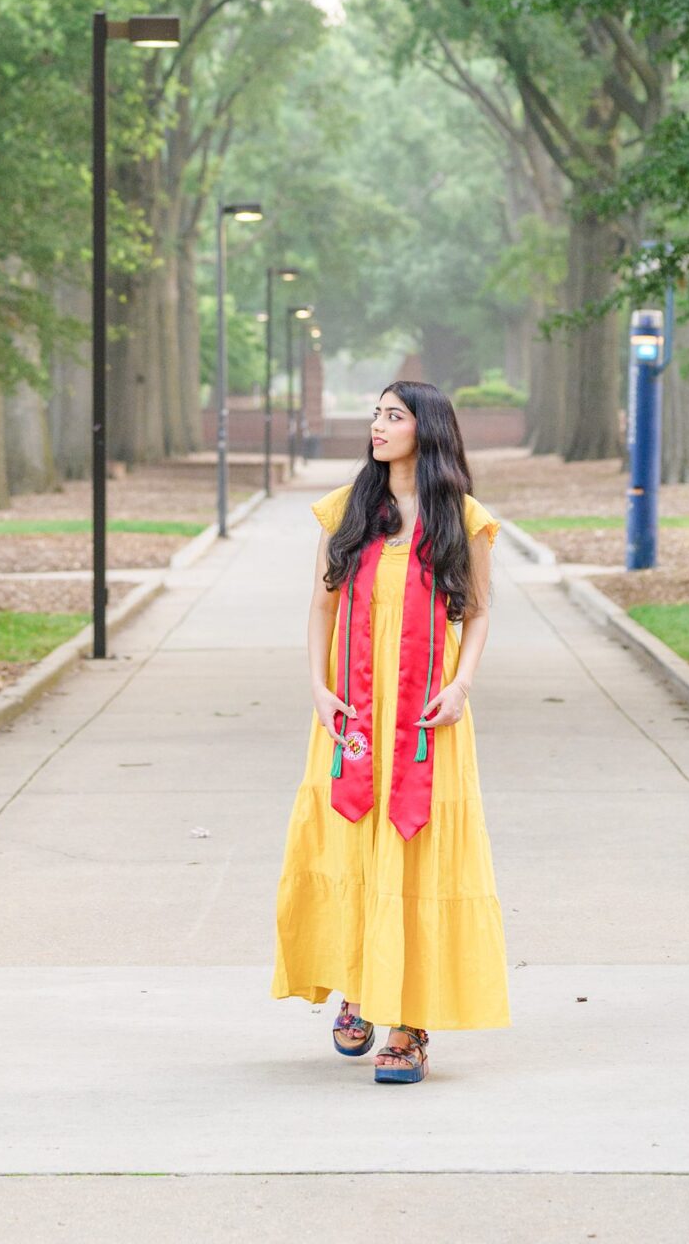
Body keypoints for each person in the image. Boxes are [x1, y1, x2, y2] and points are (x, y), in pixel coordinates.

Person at [271, 377, 510, 1083]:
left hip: (427, 721)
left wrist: (461, 685)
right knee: (349, 847)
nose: (376, 426)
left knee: (421, 856)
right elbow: (320, 609)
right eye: (374, 414)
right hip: (350, 716)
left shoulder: (461, 519)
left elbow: (477, 612)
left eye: (392, 416)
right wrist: (317, 688)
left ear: (425, 429)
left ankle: (409, 1027)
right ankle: (358, 983)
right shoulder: (346, 511)